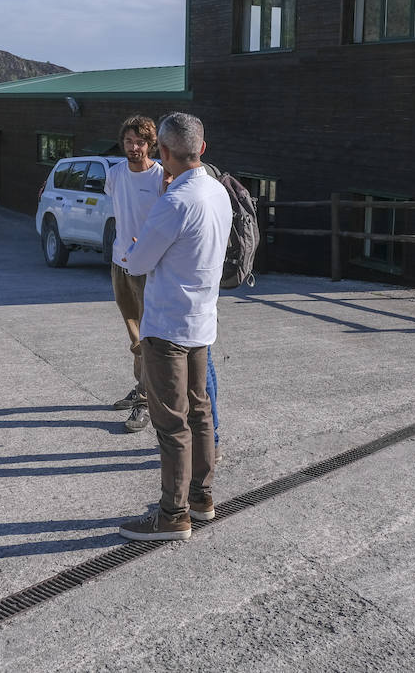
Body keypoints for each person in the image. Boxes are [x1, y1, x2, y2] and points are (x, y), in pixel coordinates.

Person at [116, 112, 231, 541]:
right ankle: (201, 499)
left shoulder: (175, 202)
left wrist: (132, 248)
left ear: (163, 152)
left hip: (166, 325)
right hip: (202, 319)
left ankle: (172, 514)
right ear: (201, 148)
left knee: (171, 423)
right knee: (200, 411)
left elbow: (139, 262)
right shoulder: (218, 192)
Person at [106, 115, 163, 433]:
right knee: (133, 333)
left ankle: (145, 400)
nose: (133, 147)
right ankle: (141, 387)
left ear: (150, 144)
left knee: (148, 334)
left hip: (147, 267)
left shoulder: (160, 177)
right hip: (119, 262)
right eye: (128, 141)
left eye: (140, 142)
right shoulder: (114, 174)